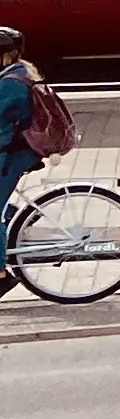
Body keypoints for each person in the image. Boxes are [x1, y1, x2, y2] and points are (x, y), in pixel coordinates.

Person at [0, 28, 37, 296]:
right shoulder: (18, 72)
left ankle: (1, 275)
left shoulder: (11, 84)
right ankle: (12, 215)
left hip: (13, 153)